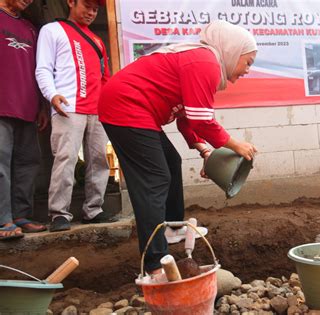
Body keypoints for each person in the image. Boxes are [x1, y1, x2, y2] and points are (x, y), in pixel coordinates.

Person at [98, 20, 258, 274]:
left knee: (171, 163)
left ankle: (173, 229)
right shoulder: (204, 62)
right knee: (155, 180)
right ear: (232, 50)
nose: (248, 69)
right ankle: (155, 264)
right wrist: (235, 145)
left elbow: (186, 119)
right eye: (248, 62)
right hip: (125, 106)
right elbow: (202, 120)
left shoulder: (204, 62)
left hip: (135, 110)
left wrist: (205, 152)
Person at [35, 0, 115, 232]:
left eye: (95, 9)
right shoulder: (52, 29)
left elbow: (105, 77)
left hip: (97, 108)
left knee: (99, 160)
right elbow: (43, 68)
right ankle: (59, 214)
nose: (91, 12)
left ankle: (94, 210)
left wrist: (108, 105)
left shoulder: (98, 40)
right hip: (67, 106)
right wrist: (52, 95)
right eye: (87, 6)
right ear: (71, 2)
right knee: (65, 159)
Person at [0, 0, 48, 240]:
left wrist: (42, 106)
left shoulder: (31, 28)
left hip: (27, 107)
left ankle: (20, 215)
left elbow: (39, 68)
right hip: (2, 105)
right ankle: (2, 219)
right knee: (1, 163)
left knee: (28, 163)